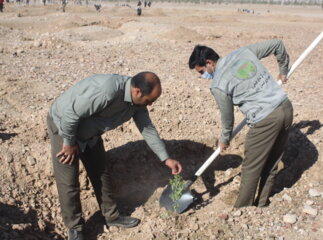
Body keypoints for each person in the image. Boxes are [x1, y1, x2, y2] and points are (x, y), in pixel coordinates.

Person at [47, 72, 182, 240]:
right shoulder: (106, 91)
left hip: (90, 134)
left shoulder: (137, 104)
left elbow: (147, 128)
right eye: (149, 101)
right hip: (64, 127)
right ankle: (75, 229)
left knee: (101, 173)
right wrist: (68, 142)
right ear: (137, 92)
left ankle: (112, 217)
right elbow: (70, 115)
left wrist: (166, 158)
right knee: (69, 182)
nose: (150, 105)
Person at [188, 39, 293, 208]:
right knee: (272, 161)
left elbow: (227, 118)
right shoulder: (243, 52)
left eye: (202, 71)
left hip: (265, 120)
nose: (203, 76)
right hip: (286, 108)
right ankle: (262, 202)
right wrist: (283, 70)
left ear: (209, 62)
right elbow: (278, 44)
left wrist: (224, 139)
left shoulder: (218, 84)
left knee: (251, 167)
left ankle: (243, 209)